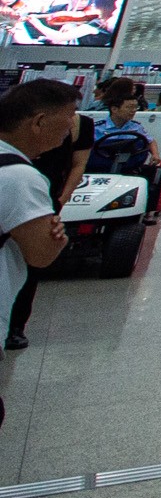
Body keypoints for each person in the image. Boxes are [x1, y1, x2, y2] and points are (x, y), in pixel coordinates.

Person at [0, 78, 79, 411]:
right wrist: (57, 236)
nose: (73, 124)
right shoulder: (21, 177)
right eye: (70, 114)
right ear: (39, 122)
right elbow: (41, 254)